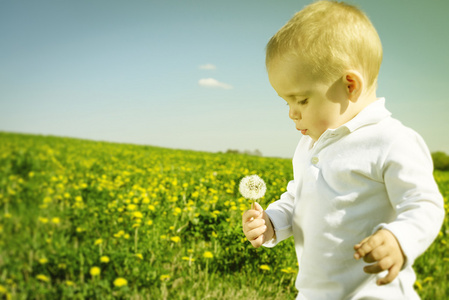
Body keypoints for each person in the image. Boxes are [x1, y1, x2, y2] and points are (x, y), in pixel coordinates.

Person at [241, 1, 445, 299]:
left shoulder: (391, 140)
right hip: (314, 292)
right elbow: (297, 197)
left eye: (301, 100)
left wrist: (400, 239)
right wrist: (272, 222)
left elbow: (425, 204)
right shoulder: (309, 145)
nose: (292, 113)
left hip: (375, 292)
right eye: (287, 102)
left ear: (350, 86)